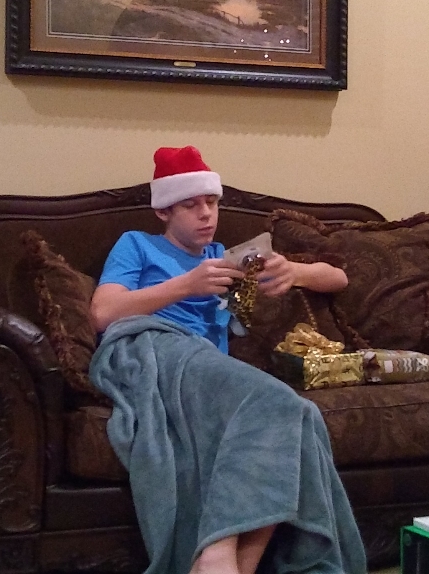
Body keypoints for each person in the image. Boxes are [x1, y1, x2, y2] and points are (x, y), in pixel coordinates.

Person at [89, 145, 364, 574]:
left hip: (208, 371)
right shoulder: (137, 245)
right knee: (279, 404)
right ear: (163, 211)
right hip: (152, 348)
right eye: (190, 205)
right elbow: (103, 313)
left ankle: (225, 563)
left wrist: (294, 271)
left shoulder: (227, 258)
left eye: (212, 202)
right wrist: (185, 285)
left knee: (298, 414)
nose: (206, 214)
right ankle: (217, 556)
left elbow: (339, 278)